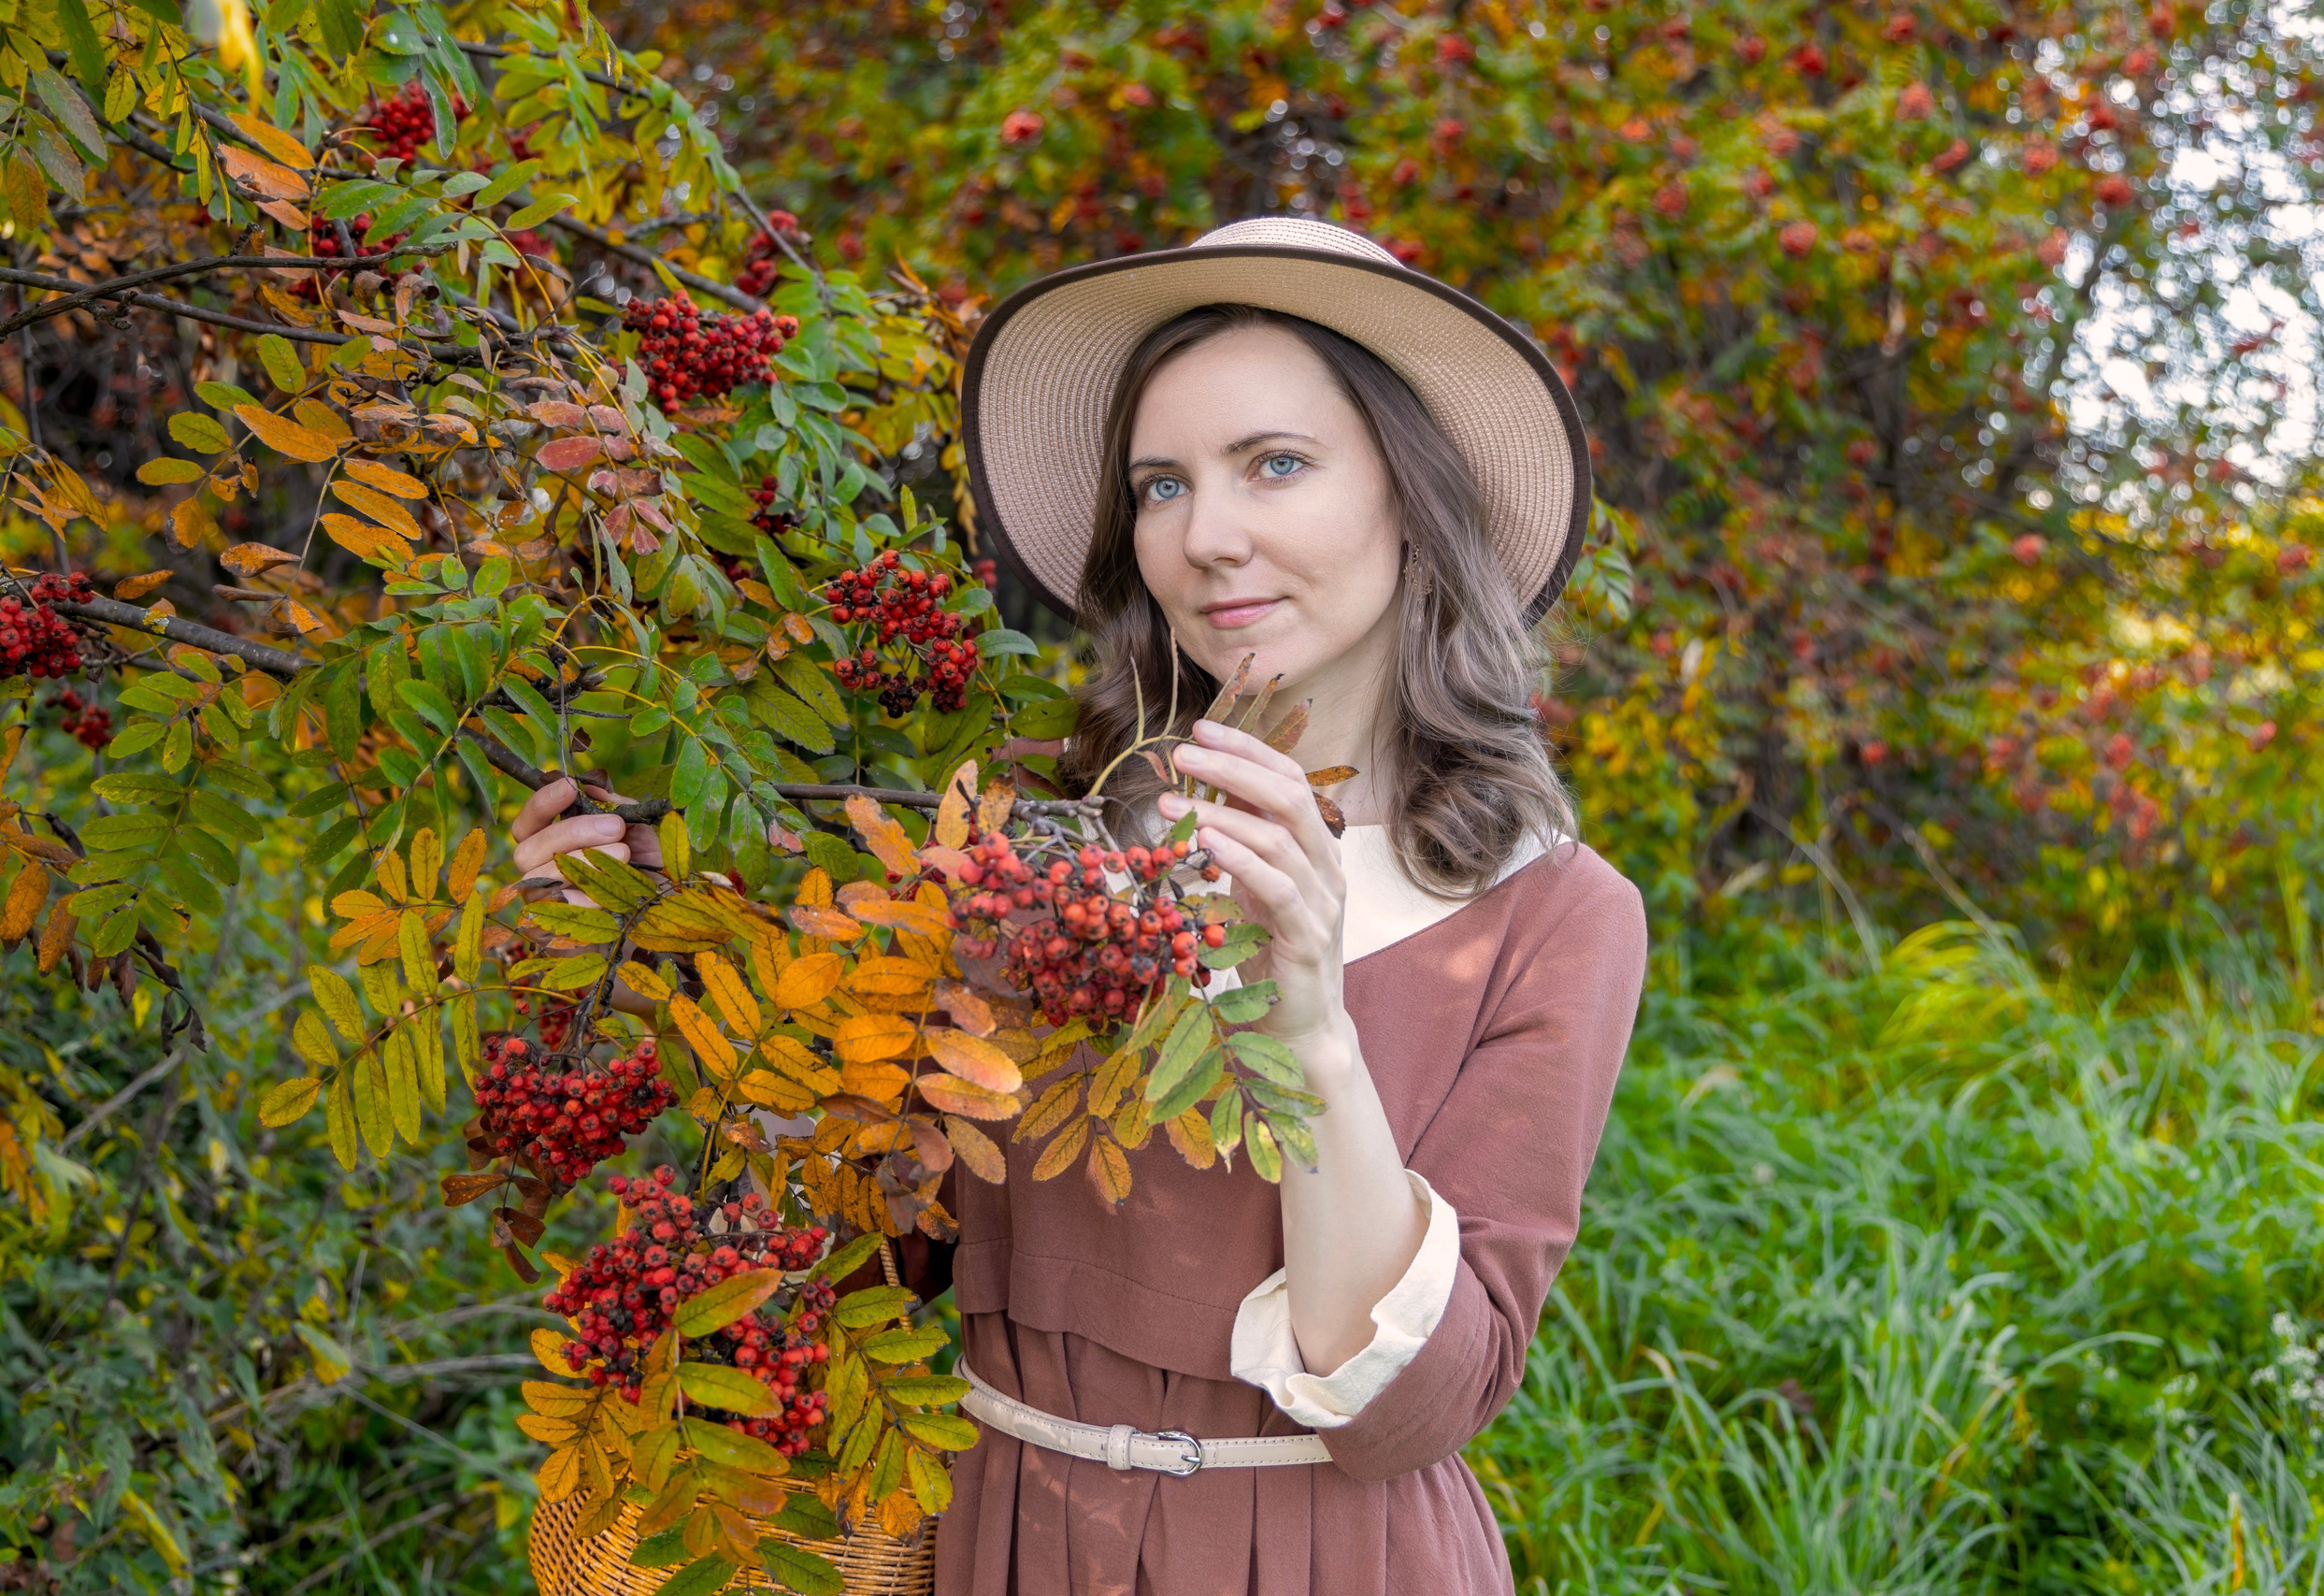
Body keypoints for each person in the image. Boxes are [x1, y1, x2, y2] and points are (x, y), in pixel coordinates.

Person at [511, 217, 1646, 1595]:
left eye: (1275, 465)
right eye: (1161, 486)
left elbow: (1414, 1405)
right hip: (1009, 1540)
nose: (1208, 538)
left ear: (1413, 494)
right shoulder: (1040, 825)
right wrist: (659, 967)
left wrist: (1310, 1025)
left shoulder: (1547, 910)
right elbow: (886, 1234)